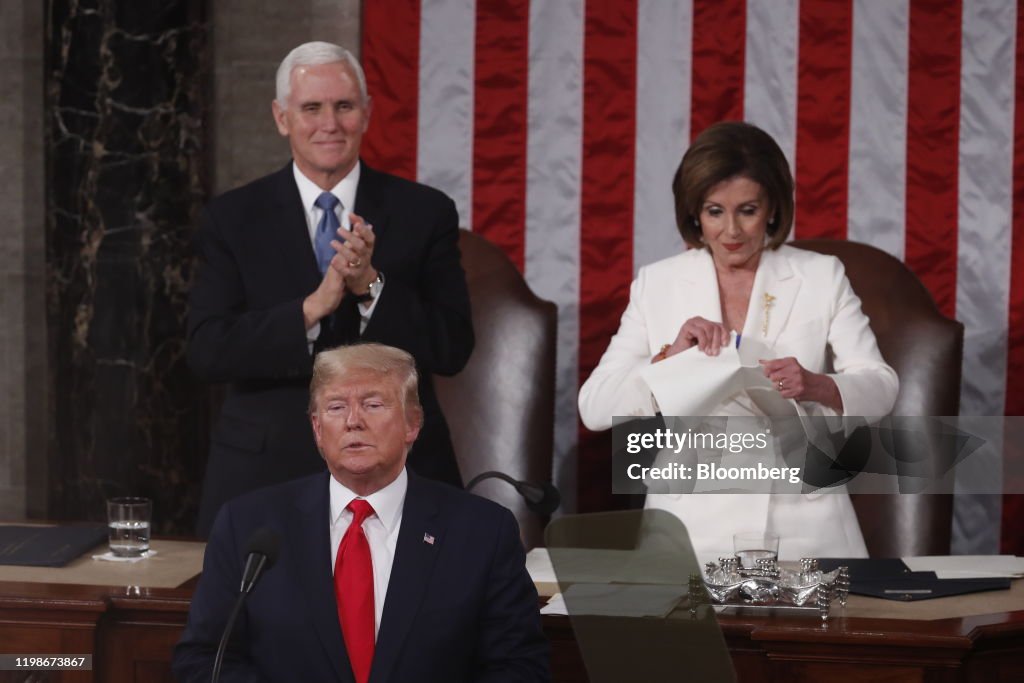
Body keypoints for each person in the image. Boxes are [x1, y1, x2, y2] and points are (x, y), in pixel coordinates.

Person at [188, 42, 473, 536]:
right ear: (282, 118)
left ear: (366, 113)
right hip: (266, 472)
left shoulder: (424, 212)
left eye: (344, 106)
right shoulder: (231, 219)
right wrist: (310, 309)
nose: (330, 123)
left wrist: (371, 286)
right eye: (311, 108)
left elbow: (451, 347)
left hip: (400, 471)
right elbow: (208, 350)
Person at [578, 121, 898, 562]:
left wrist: (816, 384)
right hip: (689, 524)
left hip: (807, 520)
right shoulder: (659, 283)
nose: (731, 231)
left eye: (747, 210)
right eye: (714, 212)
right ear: (694, 212)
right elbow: (594, 406)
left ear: (772, 209)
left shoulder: (822, 275)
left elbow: (880, 383)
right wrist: (669, 360)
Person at [173, 343, 549, 682]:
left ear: (412, 424)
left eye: (373, 404)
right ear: (318, 430)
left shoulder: (482, 532)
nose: (353, 421)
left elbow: (519, 667)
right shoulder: (248, 526)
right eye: (336, 407)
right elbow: (204, 660)